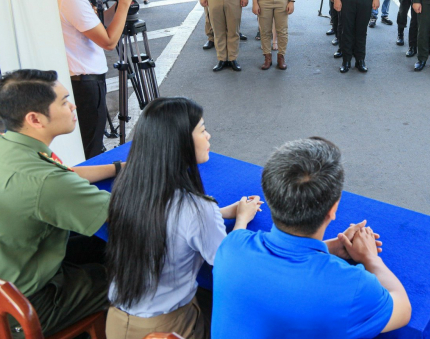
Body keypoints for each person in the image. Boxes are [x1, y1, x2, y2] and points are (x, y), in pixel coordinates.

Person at [211, 137, 411, 339]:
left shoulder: (231, 246)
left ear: (270, 197)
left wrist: (328, 248)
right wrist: (370, 258)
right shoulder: (352, 286)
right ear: (333, 209)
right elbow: (402, 309)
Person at [105, 97, 261, 339]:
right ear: (180, 143)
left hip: (117, 321)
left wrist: (219, 212)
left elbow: (168, 219)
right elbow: (229, 264)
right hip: (168, 326)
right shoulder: (196, 209)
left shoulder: (128, 188)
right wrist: (240, 220)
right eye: (202, 130)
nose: (208, 136)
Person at [0, 69, 121, 337]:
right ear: (35, 119)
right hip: (25, 306)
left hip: (8, 273)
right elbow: (121, 212)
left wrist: (118, 167)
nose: (73, 106)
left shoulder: (5, 148)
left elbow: (65, 175)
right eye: (64, 102)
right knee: (133, 275)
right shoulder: (46, 181)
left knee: (97, 245)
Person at [36, 0, 137, 158]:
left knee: (81, 146)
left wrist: (120, 2)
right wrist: (124, 3)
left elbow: (95, 25)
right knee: (90, 151)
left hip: (73, 80)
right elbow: (109, 41)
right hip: (85, 85)